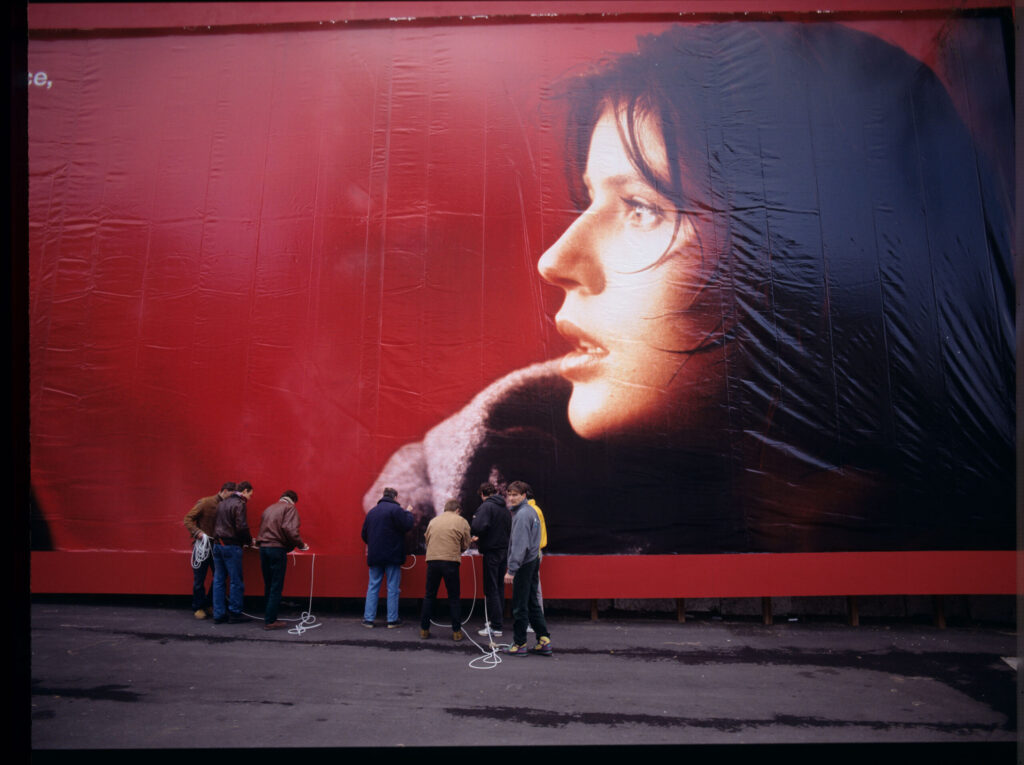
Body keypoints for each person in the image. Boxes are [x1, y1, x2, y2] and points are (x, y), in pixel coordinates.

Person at [363, 22, 1013, 556]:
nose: (556, 261)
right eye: (589, 200)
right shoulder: (463, 486)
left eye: (643, 207)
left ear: (813, 267)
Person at [503, 481, 551, 656]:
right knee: (532, 601)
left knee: (519, 604)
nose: (511, 498)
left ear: (524, 495)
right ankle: (544, 640)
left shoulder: (522, 515)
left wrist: (512, 569)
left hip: (523, 563)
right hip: (532, 560)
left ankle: (519, 644)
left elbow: (520, 545)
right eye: (509, 494)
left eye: (515, 494)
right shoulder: (531, 511)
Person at [419, 499, 472, 641]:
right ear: (458, 510)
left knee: (429, 595)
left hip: (432, 561)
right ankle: (456, 632)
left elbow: (427, 539)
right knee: (454, 597)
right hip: (450, 562)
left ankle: (424, 630)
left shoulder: (433, 521)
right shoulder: (461, 521)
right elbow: (465, 543)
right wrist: (459, 550)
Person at [254, 490, 308, 630]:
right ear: (293, 500)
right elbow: (289, 529)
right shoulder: (290, 508)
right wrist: (301, 545)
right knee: (276, 585)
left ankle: (269, 616)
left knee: (268, 584)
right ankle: (270, 620)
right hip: (276, 549)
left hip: (263, 548)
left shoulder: (269, 508)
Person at [361, 487, 415, 628]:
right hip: (392, 555)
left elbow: (364, 534)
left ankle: (368, 619)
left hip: (375, 555)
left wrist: (374, 545)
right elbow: (407, 525)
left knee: (373, 586)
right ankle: (392, 620)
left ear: (383, 496)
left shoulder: (372, 512)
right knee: (392, 588)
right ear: (395, 497)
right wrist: (408, 512)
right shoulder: (396, 510)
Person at [183, 481, 235, 619]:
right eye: (230, 495)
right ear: (224, 491)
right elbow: (188, 519)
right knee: (199, 578)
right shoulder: (205, 503)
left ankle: (208, 604)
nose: (231, 499)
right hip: (203, 544)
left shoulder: (227, 506)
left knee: (220, 576)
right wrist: (198, 533)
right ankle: (199, 607)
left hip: (217, 545)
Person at [470, 482, 511, 638]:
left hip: (492, 552)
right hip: (504, 551)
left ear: (482, 494)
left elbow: (478, 526)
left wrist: (477, 535)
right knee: (499, 587)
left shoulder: (486, 507)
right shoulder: (504, 508)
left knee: (491, 588)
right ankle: (497, 621)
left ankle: (495, 626)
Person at [212, 481, 254, 624]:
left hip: (217, 544)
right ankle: (235, 613)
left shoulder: (221, 503)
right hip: (231, 545)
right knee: (236, 581)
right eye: (250, 494)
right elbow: (241, 527)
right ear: (245, 491)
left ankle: (218, 614)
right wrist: (249, 541)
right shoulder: (240, 504)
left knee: (218, 580)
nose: (250, 498)